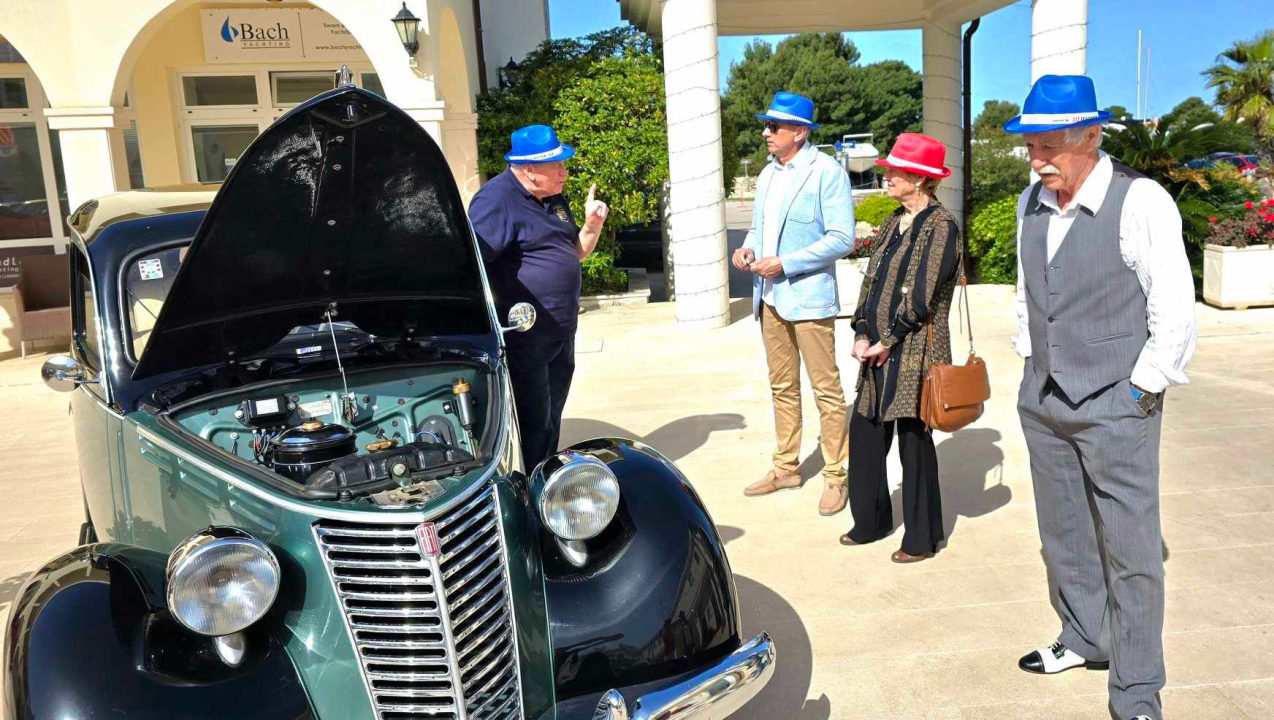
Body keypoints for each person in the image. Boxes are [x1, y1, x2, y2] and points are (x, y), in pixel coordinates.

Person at [1003, 75, 1198, 720]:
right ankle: (1085, 636)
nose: (1037, 158)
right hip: (1045, 398)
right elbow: (1030, 291)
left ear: (1091, 135)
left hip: (1118, 402)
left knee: (1132, 551)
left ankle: (1137, 690)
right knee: (1062, 534)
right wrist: (1032, 369)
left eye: (1049, 143)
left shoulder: (1140, 201)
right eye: (1031, 144)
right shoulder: (1032, 198)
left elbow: (1174, 309)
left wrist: (1140, 393)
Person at [839, 133, 962, 563]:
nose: (887, 175)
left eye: (894, 170)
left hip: (915, 351)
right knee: (866, 431)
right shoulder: (894, 221)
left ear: (919, 178)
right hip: (875, 347)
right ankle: (871, 522)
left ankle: (922, 538)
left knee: (914, 442)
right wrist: (859, 331)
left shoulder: (942, 226)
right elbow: (871, 283)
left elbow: (923, 297)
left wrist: (887, 340)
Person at [731, 91, 855, 516]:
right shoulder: (768, 174)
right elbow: (758, 228)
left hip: (808, 299)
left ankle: (837, 475)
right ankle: (786, 467)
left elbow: (842, 238)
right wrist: (746, 249)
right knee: (782, 387)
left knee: (827, 390)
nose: (766, 133)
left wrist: (785, 263)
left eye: (774, 127)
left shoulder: (826, 172)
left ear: (800, 133)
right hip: (768, 299)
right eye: (766, 125)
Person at [468, 124, 609, 471]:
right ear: (529, 169)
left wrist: (592, 225)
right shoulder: (496, 201)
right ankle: (536, 493)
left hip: (562, 330)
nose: (564, 171)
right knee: (534, 423)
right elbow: (472, 267)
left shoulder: (553, 198)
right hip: (526, 338)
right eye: (556, 165)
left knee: (551, 417)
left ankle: (545, 479)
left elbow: (574, 253)